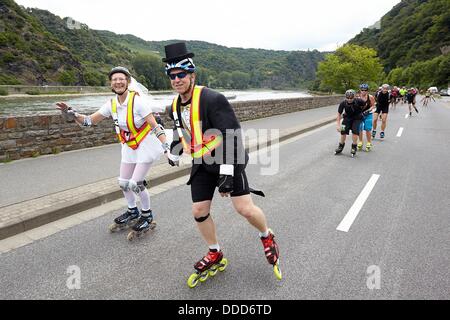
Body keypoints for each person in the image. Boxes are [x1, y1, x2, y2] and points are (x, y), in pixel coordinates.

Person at [162, 42, 281, 286]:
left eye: (181, 74)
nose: (176, 80)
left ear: (192, 75)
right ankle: (215, 252)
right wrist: (174, 153)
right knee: (199, 211)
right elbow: (180, 132)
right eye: (172, 76)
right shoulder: (174, 105)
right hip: (202, 163)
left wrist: (226, 173)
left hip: (227, 158)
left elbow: (231, 134)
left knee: (244, 209)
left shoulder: (212, 98)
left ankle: (266, 235)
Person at [56, 66, 169, 240]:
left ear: (128, 82)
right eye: (114, 79)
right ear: (111, 84)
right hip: (129, 145)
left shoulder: (138, 102)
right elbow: (88, 122)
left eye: (121, 79)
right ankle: (133, 211)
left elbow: (155, 126)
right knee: (123, 182)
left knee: (135, 183)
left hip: (146, 144)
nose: (118, 81)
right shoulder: (111, 104)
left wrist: (167, 147)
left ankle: (146, 215)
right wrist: (71, 113)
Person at [335, 89, 365, 157]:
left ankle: (354, 147)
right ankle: (340, 146)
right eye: (347, 98)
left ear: (354, 96)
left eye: (351, 98)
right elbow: (339, 114)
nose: (349, 99)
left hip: (357, 118)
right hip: (347, 118)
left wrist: (362, 112)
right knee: (343, 132)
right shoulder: (343, 103)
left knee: (355, 132)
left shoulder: (359, 101)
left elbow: (365, 104)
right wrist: (338, 125)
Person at [356, 84, 376, 152]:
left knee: (367, 128)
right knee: (360, 128)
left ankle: (369, 142)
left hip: (368, 114)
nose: (363, 91)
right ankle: (360, 141)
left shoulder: (370, 97)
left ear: (367, 91)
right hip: (360, 115)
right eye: (362, 90)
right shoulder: (357, 97)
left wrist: (368, 111)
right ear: (360, 90)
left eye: (365, 90)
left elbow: (373, 106)